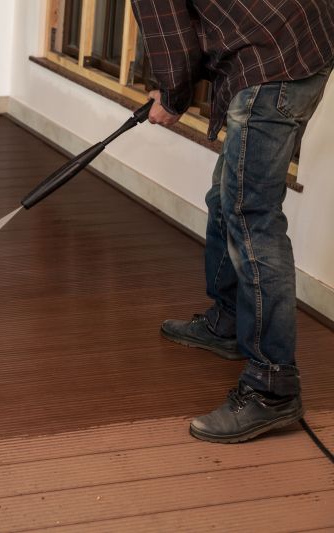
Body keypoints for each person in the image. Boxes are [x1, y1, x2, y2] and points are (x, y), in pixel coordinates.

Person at [130, 0, 334, 443]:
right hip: (306, 39)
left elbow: (172, 41)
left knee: (252, 217)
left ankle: (272, 387)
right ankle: (227, 320)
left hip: (272, 58)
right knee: (229, 195)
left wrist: (171, 95)